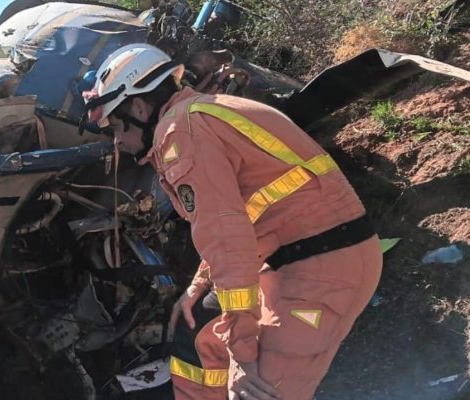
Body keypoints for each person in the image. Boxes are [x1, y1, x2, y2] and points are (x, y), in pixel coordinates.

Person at [81, 44, 382, 400]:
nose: (117, 141)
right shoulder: (200, 114)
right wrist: (197, 287)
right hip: (301, 258)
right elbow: (232, 224)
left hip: (320, 273)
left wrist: (243, 355)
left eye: (117, 126)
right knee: (198, 328)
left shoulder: (180, 133)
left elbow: (227, 240)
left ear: (140, 107)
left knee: (258, 392)